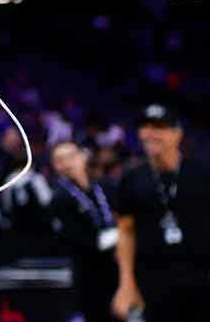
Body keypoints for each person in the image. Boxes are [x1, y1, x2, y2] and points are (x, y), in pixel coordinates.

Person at [111, 104, 208, 322]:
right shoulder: (131, 178)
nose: (150, 133)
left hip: (202, 276)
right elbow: (125, 232)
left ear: (177, 134)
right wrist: (126, 283)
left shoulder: (202, 173)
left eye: (159, 127)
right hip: (154, 280)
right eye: (145, 126)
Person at [46, 141, 118, 322]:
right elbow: (75, 239)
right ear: (55, 166)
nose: (67, 163)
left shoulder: (103, 186)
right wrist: (114, 238)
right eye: (60, 160)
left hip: (117, 267)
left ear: (82, 157)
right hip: (89, 274)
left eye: (71, 156)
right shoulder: (59, 198)